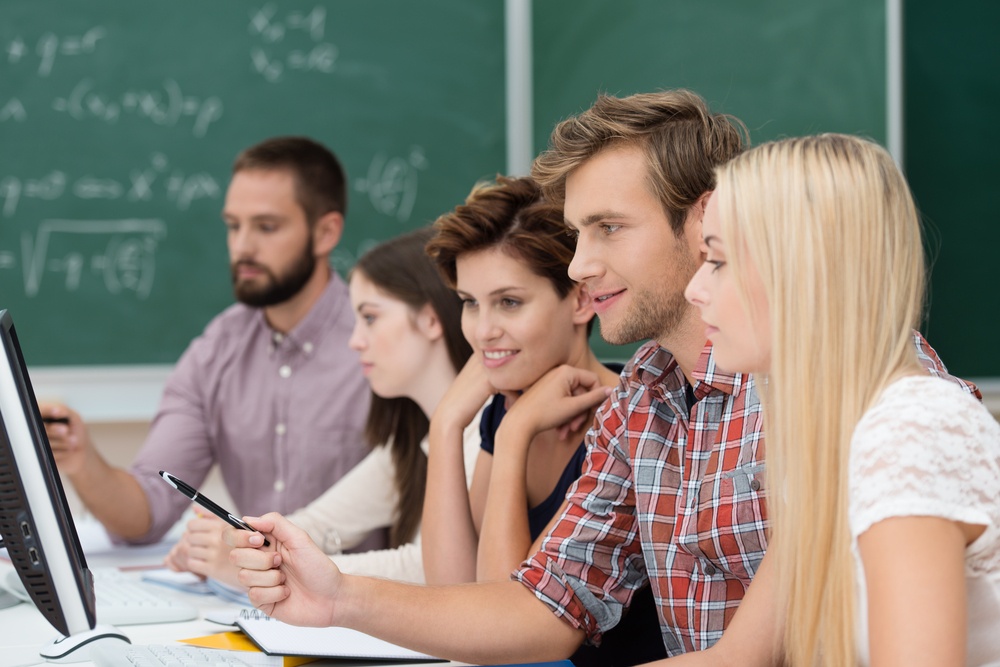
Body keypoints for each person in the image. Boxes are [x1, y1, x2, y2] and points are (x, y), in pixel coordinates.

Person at [223, 91, 978, 665]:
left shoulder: (845, 386)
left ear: (703, 217)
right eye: (577, 233)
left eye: (608, 228)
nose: (579, 265)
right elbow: (543, 602)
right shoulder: (642, 396)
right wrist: (340, 596)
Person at [676, 134, 1000, 666]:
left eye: (717, 260)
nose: (696, 289)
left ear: (802, 272)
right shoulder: (836, 438)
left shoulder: (910, 433)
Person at [40, 136, 373, 545]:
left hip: (365, 598)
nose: (242, 247)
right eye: (234, 226)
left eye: (266, 227)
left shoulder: (379, 340)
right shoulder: (217, 349)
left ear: (325, 232)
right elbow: (146, 515)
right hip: (249, 601)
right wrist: (81, 460)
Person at [420, 175, 665, 666]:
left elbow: (503, 629)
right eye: (470, 303)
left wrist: (513, 439)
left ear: (579, 300)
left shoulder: (629, 417)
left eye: (509, 302)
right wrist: (445, 425)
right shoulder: (506, 409)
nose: (483, 330)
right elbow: (455, 595)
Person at [163, 227, 481, 584]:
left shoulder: (483, 433)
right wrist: (240, 542)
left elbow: (430, 570)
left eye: (371, 318)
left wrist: (274, 566)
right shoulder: (411, 439)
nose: (355, 341)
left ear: (430, 320)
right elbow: (320, 523)